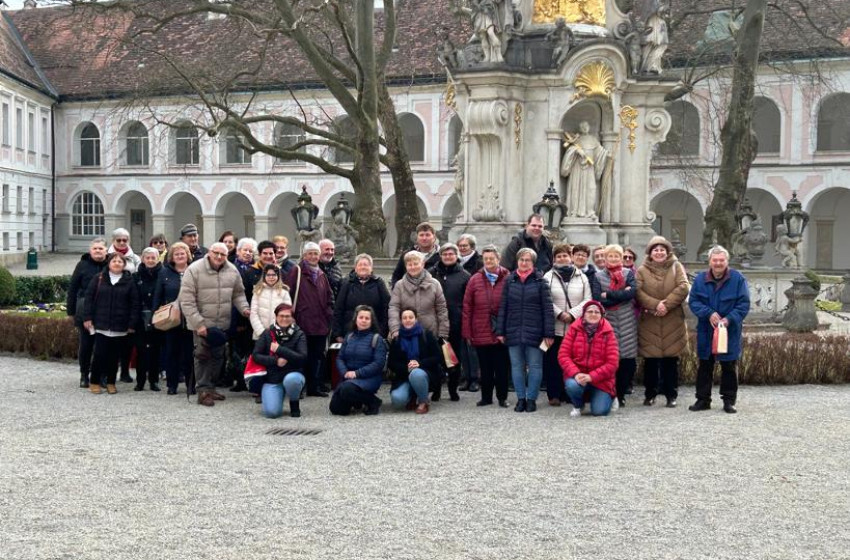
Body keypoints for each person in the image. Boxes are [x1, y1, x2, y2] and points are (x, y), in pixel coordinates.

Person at [178, 241, 251, 407]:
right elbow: (186, 300)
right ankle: (202, 391)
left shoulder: (232, 270)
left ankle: (211, 388)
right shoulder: (194, 269)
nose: (219, 257)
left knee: (218, 358)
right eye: (216, 253)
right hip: (202, 324)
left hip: (221, 325)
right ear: (209, 252)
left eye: (223, 254)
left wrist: (245, 310)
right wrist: (199, 324)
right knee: (202, 357)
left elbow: (238, 294)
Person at [687, 245, 750, 414]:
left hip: (730, 331)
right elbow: (693, 302)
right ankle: (702, 399)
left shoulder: (738, 279)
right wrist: (709, 313)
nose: (718, 263)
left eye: (721, 260)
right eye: (715, 260)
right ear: (710, 262)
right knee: (705, 365)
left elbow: (743, 304)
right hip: (706, 330)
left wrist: (729, 319)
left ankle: (729, 401)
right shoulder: (700, 279)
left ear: (727, 261)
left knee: (729, 365)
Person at [496, 247, 555, 413]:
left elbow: (547, 309)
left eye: (527, 260)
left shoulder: (540, 281)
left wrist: (548, 333)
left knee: (535, 366)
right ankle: (521, 398)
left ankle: (532, 399)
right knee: (516, 366)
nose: (523, 263)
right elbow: (503, 307)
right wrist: (500, 331)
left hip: (535, 331)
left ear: (533, 263)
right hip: (513, 329)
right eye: (521, 259)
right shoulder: (509, 280)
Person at [635, 236, 690, 408]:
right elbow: (637, 291)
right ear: (650, 253)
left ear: (667, 252)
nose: (659, 253)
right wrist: (655, 305)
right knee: (650, 362)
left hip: (672, 318)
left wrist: (665, 305)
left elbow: (683, 286)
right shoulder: (642, 270)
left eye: (662, 250)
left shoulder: (676, 266)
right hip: (650, 318)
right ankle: (650, 394)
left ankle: (671, 395)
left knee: (671, 362)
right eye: (655, 250)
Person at [83, 252, 140, 394]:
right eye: (114, 261)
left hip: (120, 325)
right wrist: (87, 317)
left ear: (124, 265)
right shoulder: (99, 278)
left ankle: (110, 382)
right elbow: (89, 299)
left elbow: (134, 304)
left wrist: (132, 323)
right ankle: (94, 381)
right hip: (101, 324)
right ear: (109, 263)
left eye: (120, 261)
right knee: (99, 354)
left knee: (114, 357)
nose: (117, 263)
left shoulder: (129, 281)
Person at [542, 244, 592, 406]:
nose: (562, 259)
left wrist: (572, 314)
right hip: (554, 328)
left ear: (570, 257)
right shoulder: (547, 277)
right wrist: (559, 314)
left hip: (575, 328)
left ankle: (569, 393)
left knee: (573, 362)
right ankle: (554, 394)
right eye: (558, 256)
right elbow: (545, 300)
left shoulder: (581, 277)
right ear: (554, 259)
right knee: (552, 362)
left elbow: (588, 299)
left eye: (565, 255)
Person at [462, 245, 510, 407]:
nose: (489, 261)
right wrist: (467, 332)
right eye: (486, 258)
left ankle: (502, 397)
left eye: (492, 258)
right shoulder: (475, 279)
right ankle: (486, 397)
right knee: (485, 367)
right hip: (480, 328)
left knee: (502, 368)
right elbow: (467, 306)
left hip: (501, 330)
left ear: (498, 259)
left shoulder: (507, 277)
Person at [285, 241, 334, 397]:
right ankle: (299, 387)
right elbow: (287, 295)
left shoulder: (321, 275)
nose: (313, 256)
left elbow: (329, 297)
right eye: (310, 253)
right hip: (302, 321)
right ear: (304, 255)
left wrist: (329, 314)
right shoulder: (296, 271)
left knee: (317, 356)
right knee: (300, 356)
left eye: (315, 253)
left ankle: (314, 386)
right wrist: (291, 316)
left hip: (320, 323)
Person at [558, 301, 618, 417]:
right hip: (578, 377)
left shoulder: (608, 333)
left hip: (601, 381)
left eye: (597, 312)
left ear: (601, 315)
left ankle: (611, 396)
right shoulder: (573, 330)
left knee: (599, 412)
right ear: (583, 314)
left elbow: (612, 363)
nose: (593, 314)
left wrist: (592, 376)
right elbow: (563, 355)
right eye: (590, 311)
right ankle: (578, 405)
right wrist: (575, 374)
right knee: (571, 385)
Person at [596, 244, 638, 408]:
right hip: (609, 319)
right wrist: (622, 295)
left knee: (627, 360)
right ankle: (610, 392)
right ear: (605, 258)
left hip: (627, 320)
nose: (614, 259)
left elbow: (632, 293)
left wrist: (610, 294)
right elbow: (598, 298)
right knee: (610, 359)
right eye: (610, 256)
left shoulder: (629, 274)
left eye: (617, 256)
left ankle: (621, 394)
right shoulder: (598, 276)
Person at [428, 243, 471, 401]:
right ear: (440, 256)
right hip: (435, 323)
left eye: (451, 254)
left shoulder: (465, 275)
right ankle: (437, 389)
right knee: (436, 358)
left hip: (455, 322)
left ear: (456, 256)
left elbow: (468, 302)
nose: (447, 257)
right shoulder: (431, 273)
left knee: (454, 359)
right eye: (445, 254)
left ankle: (453, 389)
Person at [329, 305, 388, 416]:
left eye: (367, 318)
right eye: (361, 317)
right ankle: (357, 401)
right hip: (349, 377)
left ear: (371, 321)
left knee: (347, 389)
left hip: (369, 378)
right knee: (336, 409)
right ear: (356, 319)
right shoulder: (349, 336)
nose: (363, 321)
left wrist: (357, 373)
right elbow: (340, 358)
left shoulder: (377, 339)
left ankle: (374, 401)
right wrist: (345, 372)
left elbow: (378, 364)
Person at [251, 303, 308, 418]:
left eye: (287, 316)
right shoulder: (267, 333)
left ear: (292, 317)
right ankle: (275, 395)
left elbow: (302, 358)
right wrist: (275, 360)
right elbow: (256, 355)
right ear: (276, 317)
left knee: (292, 380)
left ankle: (294, 401)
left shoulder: (299, 334)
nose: (284, 319)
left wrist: (280, 350)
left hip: (293, 373)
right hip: (272, 377)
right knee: (272, 413)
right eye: (281, 316)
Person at [152, 242, 194, 395]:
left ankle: (191, 384)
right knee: (171, 352)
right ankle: (172, 384)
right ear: (172, 257)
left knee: (190, 353)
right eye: (177, 254)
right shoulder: (164, 273)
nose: (180, 256)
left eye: (182, 253)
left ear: (187, 255)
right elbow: (158, 294)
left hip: (191, 318)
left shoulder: (194, 270)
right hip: (172, 318)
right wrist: (155, 315)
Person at [67, 237, 109, 388]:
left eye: (101, 248)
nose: (98, 251)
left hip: (106, 311)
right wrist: (71, 311)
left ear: (106, 250)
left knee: (104, 345)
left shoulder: (111, 264)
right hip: (86, 310)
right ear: (90, 251)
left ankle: (102, 375)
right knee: (86, 345)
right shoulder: (82, 265)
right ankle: (84, 374)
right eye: (95, 248)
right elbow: (72, 288)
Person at [388, 250, 449, 347]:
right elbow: (394, 308)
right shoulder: (399, 285)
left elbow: (441, 309)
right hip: (406, 334)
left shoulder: (434, 284)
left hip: (430, 334)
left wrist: (443, 332)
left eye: (416, 264)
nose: (413, 267)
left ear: (423, 264)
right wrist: (395, 329)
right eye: (409, 264)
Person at [388, 309, 443, 414]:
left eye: (411, 317)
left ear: (416, 319)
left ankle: (423, 402)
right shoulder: (397, 339)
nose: (408, 320)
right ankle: (412, 396)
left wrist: (419, 364)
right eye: (404, 318)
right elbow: (392, 363)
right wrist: (407, 368)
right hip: (404, 377)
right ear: (401, 321)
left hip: (425, 374)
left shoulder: (427, 335)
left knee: (416, 373)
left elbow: (438, 357)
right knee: (397, 400)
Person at [227, 237, 260, 392]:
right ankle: (238, 380)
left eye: (250, 251)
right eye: (244, 250)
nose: (247, 253)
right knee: (237, 350)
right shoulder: (232, 268)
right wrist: (239, 320)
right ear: (238, 251)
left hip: (252, 316)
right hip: (237, 315)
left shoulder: (255, 269)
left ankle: (249, 379)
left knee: (249, 350)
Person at [333, 253, 391, 340]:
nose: (363, 267)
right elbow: (338, 309)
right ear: (355, 268)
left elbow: (386, 308)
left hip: (374, 333)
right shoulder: (347, 283)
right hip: (349, 333)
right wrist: (337, 334)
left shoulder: (379, 283)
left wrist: (382, 332)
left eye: (366, 265)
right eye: (360, 265)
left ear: (371, 268)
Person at [132, 247, 163, 392]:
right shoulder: (136, 276)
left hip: (158, 317)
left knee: (155, 350)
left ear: (157, 259)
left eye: (153, 258)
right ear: (143, 259)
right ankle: (140, 381)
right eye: (148, 258)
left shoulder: (163, 274)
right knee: (141, 351)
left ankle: (154, 380)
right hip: (140, 318)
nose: (150, 260)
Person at [390, 222, 441, 288]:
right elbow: (397, 276)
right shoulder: (407, 255)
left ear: (434, 237)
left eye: (427, 235)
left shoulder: (442, 256)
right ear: (417, 237)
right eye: (421, 235)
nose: (424, 238)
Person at [250, 265, 292, 340]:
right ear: (264, 276)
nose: (271, 277)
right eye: (268, 275)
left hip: (279, 335)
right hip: (260, 335)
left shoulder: (284, 292)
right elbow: (253, 314)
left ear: (278, 276)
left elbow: (287, 314)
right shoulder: (258, 292)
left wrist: (279, 332)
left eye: (274, 275)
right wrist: (261, 332)